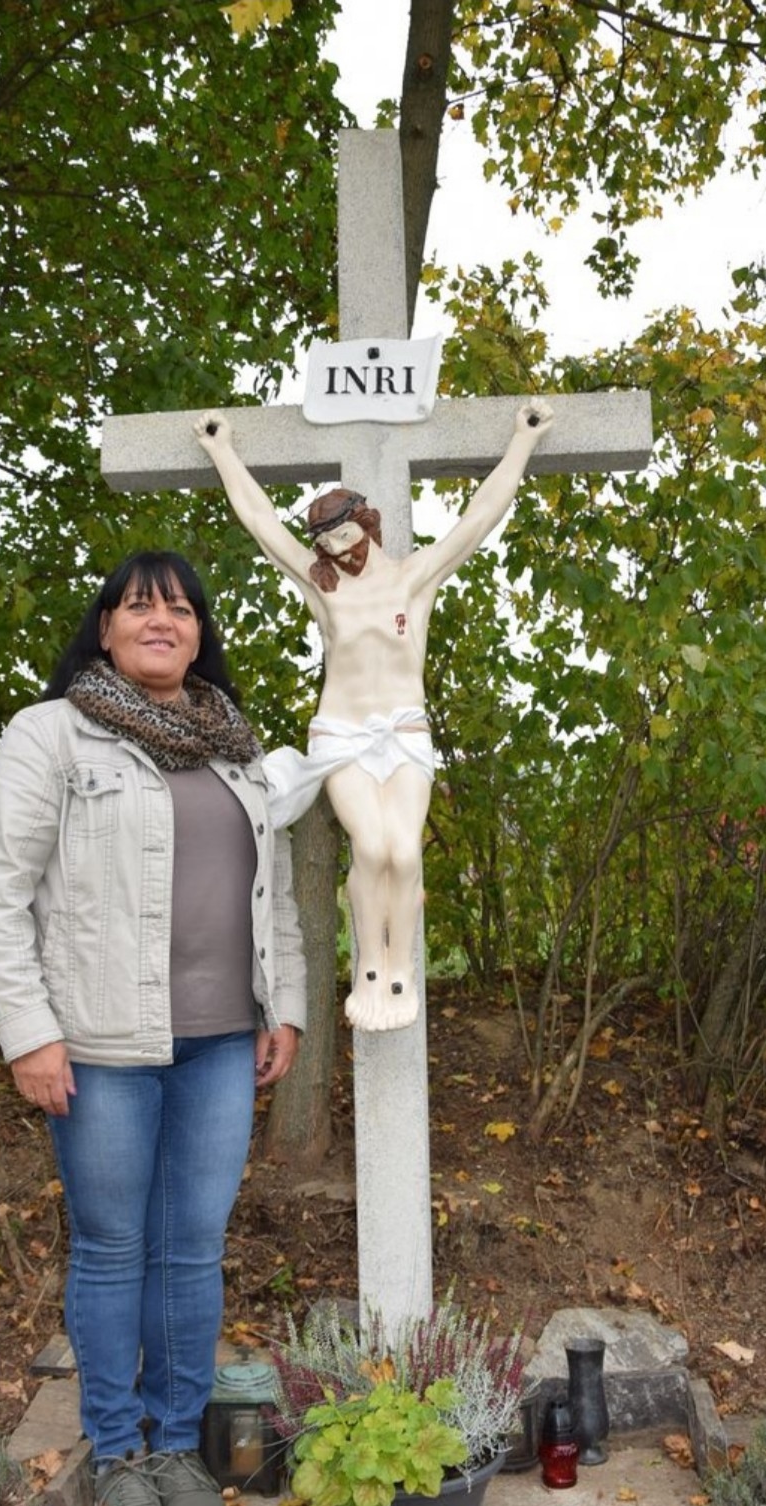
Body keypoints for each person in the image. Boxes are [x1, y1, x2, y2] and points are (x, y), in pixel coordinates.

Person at [0, 552, 306, 1506]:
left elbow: (275, 895)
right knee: (113, 1247)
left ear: (201, 633)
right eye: (140, 605)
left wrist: (282, 1004)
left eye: (182, 608)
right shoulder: (51, 735)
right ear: (105, 627)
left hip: (219, 1044)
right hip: (99, 1045)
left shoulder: (236, 749)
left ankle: (176, 1446)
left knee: (192, 1248)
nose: (163, 620)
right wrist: (29, 1031)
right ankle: (117, 1453)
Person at [194, 400, 554, 1032]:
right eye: (327, 543)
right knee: (371, 845)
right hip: (342, 735)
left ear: (366, 523)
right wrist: (222, 451)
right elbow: (261, 522)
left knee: (404, 854)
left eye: (345, 535)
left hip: (404, 731)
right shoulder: (322, 588)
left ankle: (400, 968)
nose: (339, 550)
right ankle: (369, 966)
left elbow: (478, 518)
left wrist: (522, 442)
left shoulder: (414, 579)